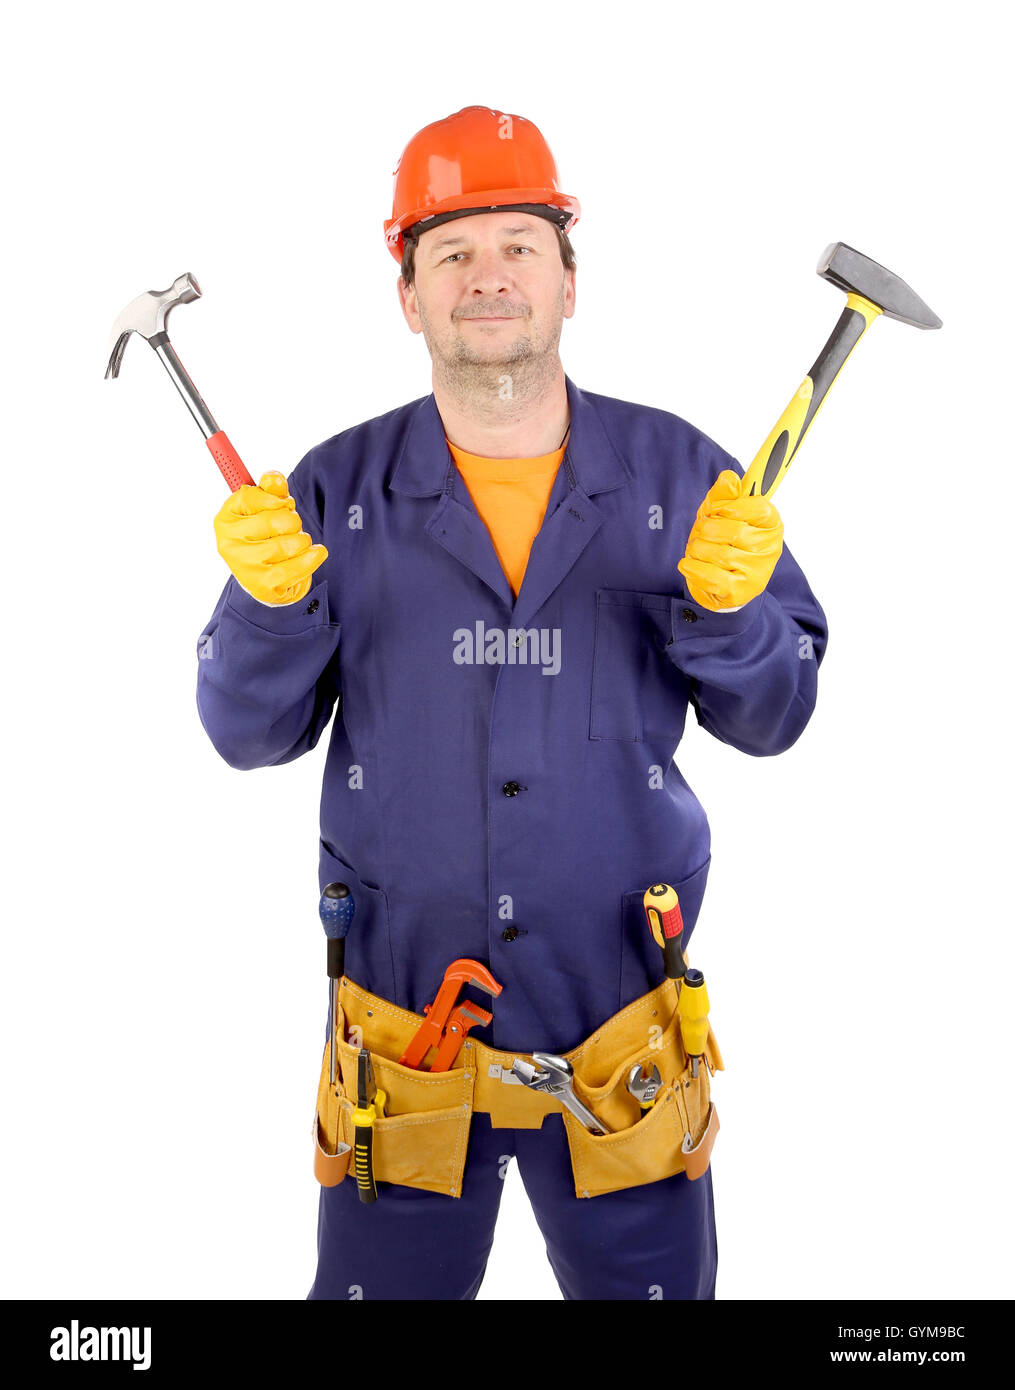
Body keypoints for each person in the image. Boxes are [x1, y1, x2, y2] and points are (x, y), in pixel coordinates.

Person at [196, 105, 828, 1300]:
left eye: (518, 247)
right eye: (451, 252)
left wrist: (738, 615)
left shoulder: (684, 480)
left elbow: (773, 716)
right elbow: (245, 735)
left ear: (568, 280)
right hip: (403, 1032)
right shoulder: (331, 492)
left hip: (620, 1034)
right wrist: (266, 609)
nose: (488, 278)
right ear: (409, 295)